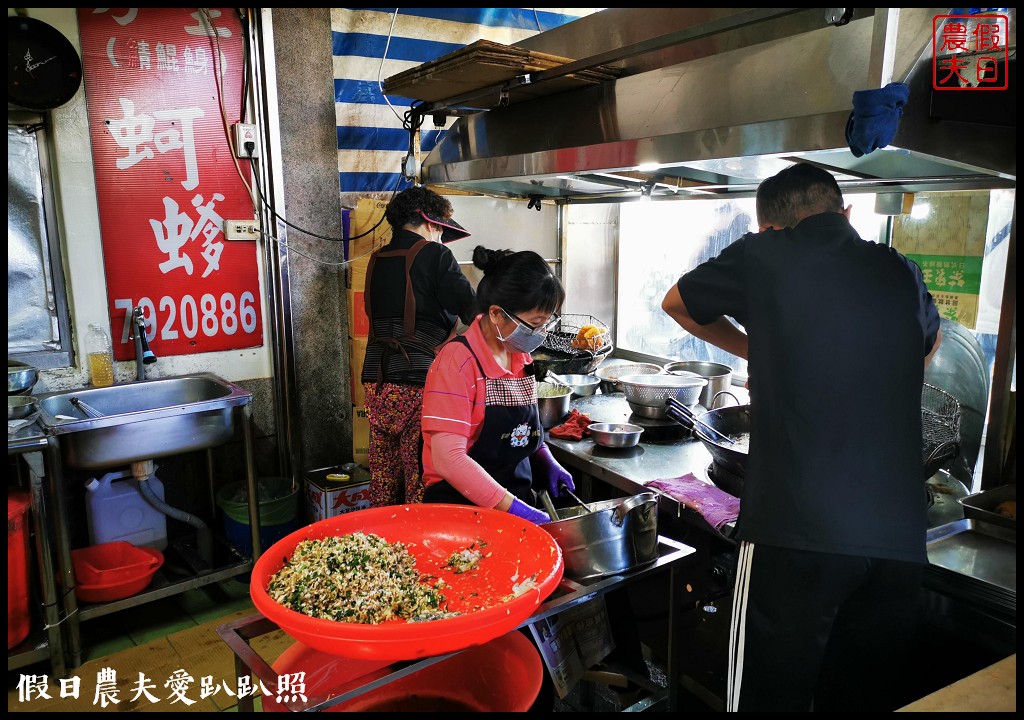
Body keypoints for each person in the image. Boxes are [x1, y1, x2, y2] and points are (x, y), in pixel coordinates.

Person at [661, 163, 942, 712]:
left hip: (794, 534)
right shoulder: (901, 270)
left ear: (770, 227)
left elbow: (677, 302)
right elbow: (926, 347)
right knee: (858, 700)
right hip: (897, 541)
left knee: (769, 700)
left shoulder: (762, 253)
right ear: (847, 213)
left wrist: (756, 349)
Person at [420, 246, 574, 520]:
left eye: (545, 324)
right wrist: (515, 510)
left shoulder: (520, 356)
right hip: (461, 510)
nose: (539, 334)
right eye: (533, 324)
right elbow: (448, 459)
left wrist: (545, 459)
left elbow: (522, 432)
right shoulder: (457, 362)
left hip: (513, 504)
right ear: (496, 314)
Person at [361, 185, 476, 507]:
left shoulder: (377, 258)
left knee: (383, 480)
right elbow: (473, 308)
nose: (440, 234)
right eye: (440, 227)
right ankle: (416, 548)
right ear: (429, 221)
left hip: (377, 384)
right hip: (417, 385)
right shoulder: (435, 254)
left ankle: (380, 543)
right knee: (419, 480)